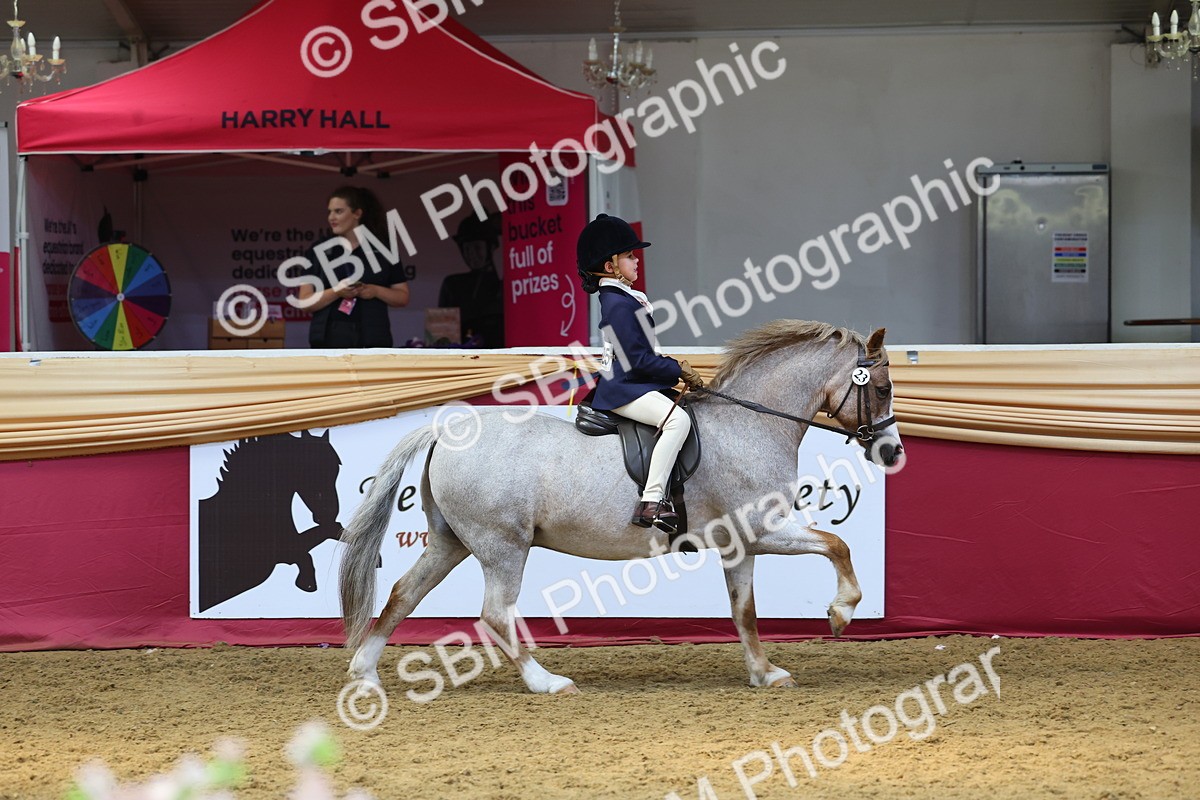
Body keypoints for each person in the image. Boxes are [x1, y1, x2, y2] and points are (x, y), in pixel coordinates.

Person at [576, 213, 705, 532]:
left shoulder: (621, 298)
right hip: (623, 388)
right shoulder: (619, 305)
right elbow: (636, 359)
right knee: (678, 421)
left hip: (629, 381)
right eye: (630, 256)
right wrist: (678, 369)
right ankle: (652, 501)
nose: (636, 261)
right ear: (610, 266)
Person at [299, 186, 410, 348]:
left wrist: (375, 291)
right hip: (329, 338)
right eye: (329, 212)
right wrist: (337, 291)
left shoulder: (382, 249)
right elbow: (304, 301)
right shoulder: (319, 250)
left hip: (372, 336)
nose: (331, 218)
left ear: (357, 214)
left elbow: (403, 297)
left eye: (338, 211)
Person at [438, 212, 504, 347]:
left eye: (477, 247)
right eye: (466, 248)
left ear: (491, 247)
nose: (471, 254)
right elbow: (441, 335)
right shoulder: (452, 285)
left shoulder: (506, 285)